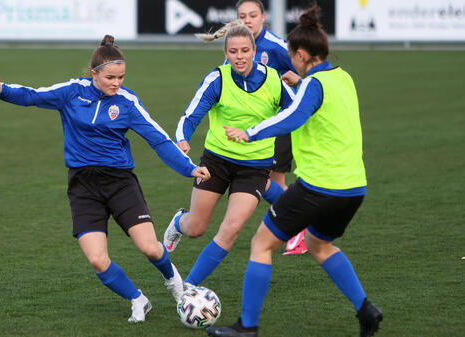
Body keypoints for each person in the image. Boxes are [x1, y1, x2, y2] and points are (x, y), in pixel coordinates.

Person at [0, 35, 210, 323]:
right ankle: (137, 299)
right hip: (83, 185)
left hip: (119, 182)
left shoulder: (127, 102)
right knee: (97, 260)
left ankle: (174, 281)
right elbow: (33, 96)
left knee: (150, 247)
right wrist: (1, 90)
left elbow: (159, 140)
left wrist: (189, 168)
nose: (116, 83)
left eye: (121, 77)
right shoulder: (71, 92)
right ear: (94, 75)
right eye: (110, 77)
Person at [207, 5, 383, 337]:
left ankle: (247, 327)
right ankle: (365, 310)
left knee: (260, 244)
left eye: (292, 57)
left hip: (319, 187)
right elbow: (318, 101)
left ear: (301, 54)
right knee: (320, 245)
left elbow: (293, 118)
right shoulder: (343, 78)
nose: (291, 61)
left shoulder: (312, 86)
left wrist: (251, 132)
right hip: (353, 188)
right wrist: (300, 81)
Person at [163, 25, 294, 288]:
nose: (240, 56)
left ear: (255, 51)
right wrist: (182, 139)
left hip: (255, 168)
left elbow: (297, 113)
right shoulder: (217, 79)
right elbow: (191, 115)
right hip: (216, 163)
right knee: (196, 228)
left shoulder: (273, 81)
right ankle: (179, 220)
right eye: (233, 51)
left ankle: (187, 289)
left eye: (245, 50)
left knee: (231, 229)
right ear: (226, 53)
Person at [197, 0, 307, 255]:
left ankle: (295, 229)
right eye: (242, 15)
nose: (248, 19)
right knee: (266, 184)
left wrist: (298, 80)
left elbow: (309, 79)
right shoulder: (236, 48)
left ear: (263, 17)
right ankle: (295, 222)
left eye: (253, 15)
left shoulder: (278, 47)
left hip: (273, 124)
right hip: (241, 131)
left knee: (273, 181)